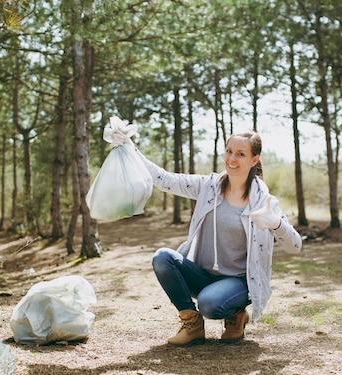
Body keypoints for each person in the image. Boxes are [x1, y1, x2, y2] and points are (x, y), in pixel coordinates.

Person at [108, 126, 302, 346]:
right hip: (203, 275)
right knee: (162, 257)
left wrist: (276, 223)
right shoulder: (208, 186)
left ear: (254, 160)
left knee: (210, 304)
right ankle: (192, 324)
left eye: (241, 154)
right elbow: (163, 179)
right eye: (229, 151)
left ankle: (236, 313)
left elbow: (295, 245)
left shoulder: (264, 202)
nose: (232, 159)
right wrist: (130, 150)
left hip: (237, 282)